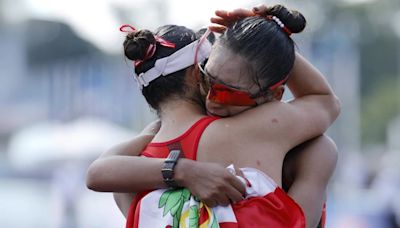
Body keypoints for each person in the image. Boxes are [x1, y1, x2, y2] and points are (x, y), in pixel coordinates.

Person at [86, 4, 340, 228]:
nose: (211, 98)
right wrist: (268, 41)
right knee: (322, 150)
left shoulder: (129, 178)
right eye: (209, 80)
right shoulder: (258, 129)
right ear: (196, 74)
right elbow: (324, 101)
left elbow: (97, 172)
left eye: (227, 92)